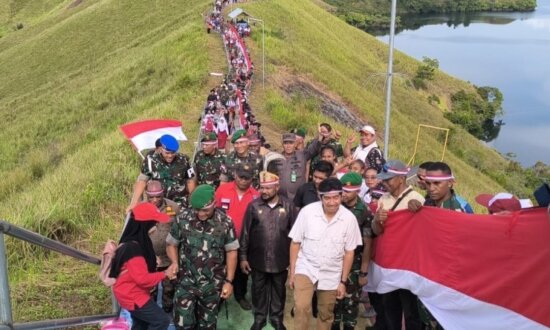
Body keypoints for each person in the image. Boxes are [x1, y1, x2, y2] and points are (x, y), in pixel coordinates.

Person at [289, 178, 363, 330]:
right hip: (306, 267)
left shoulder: (349, 219)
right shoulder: (307, 212)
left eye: (336, 197)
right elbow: (295, 243)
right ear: (319, 196)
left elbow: (349, 252)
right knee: (301, 307)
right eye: (327, 198)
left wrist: (342, 282)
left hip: (332, 272)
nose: (332, 202)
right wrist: (292, 272)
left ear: (341, 196)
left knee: (326, 313)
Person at [166, 185, 239, 329]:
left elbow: (231, 252)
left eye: (205, 210)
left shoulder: (225, 222)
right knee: (182, 324)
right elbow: (171, 244)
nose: (200, 214)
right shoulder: (183, 218)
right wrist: (174, 262)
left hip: (212, 285)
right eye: (197, 209)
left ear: (214, 204)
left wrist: (229, 281)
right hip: (185, 282)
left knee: (207, 325)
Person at [239, 171, 297, 330]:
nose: (264, 191)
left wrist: (294, 262)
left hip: (280, 258)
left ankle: (276, 318)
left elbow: (296, 236)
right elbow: (245, 233)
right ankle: (259, 317)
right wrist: (243, 257)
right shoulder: (253, 206)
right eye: (262, 188)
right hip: (257, 259)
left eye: (268, 188)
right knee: (258, 290)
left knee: (279, 290)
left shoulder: (289, 206)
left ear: (277, 187)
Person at [371, 160, 425, 330]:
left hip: (408, 266)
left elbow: (424, 235)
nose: (384, 182)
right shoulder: (383, 199)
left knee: (411, 313)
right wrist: (377, 220)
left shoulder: (417, 199)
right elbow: (377, 231)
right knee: (390, 309)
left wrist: (417, 214)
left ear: (401, 179)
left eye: (388, 179)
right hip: (389, 265)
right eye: (383, 179)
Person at [110, 202, 174, 330]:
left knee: (141, 324)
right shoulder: (133, 250)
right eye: (154, 221)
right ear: (145, 224)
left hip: (129, 292)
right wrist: (165, 274)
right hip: (133, 295)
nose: (156, 224)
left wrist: (153, 260)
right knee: (162, 321)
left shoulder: (133, 240)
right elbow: (142, 279)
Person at [214, 163, 260, 310]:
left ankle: (240, 295)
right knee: (219, 268)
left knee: (242, 271)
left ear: (252, 178)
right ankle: (217, 296)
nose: (243, 181)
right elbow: (213, 209)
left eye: (247, 178)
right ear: (235, 175)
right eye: (241, 177)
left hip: (243, 241)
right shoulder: (222, 189)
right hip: (221, 239)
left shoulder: (255, 195)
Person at [332, 172, 374, 330]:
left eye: (348, 191)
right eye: (342, 190)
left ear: (357, 191)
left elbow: (368, 244)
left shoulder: (364, 212)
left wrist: (363, 272)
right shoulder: (335, 206)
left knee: (350, 305)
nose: (343, 194)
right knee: (333, 304)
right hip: (334, 261)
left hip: (354, 264)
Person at [128, 134, 196, 211]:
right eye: (167, 153)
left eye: (173, 153)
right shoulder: (151, 161)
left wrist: (194, 201)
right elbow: (142, 181)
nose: (170, 156)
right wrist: (134, 202)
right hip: (159, 205)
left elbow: (190, 181)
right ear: (161, 149)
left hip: (179, 204)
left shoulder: (184, 160)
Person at [145, 180, 180, 313]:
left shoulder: (174, 207)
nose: (155, 200)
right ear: (146, 195)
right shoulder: (140, 209)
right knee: (149, 290)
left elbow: (180, 230)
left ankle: (167, 312)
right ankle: (151, 314)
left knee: (169, 289)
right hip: (149, 259)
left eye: (158, 196)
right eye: (151, 197)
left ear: (163, 193)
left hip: (168, 259)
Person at [276, 131, 325, 201]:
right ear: (282, 144)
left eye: (291, 143)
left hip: (297, 198)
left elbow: (314, 148)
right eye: (286, 143)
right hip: (280, 198)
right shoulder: (277, 158)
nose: (288, 146)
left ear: (295, 144)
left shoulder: (302, 155)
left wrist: (319, 136)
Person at [408, 162, 473, 213]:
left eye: (437, 183)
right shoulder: (428, 203)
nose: (431, 188)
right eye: (428, 183)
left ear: (450, 183)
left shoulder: (459, 210)